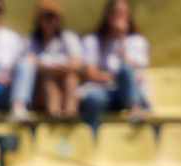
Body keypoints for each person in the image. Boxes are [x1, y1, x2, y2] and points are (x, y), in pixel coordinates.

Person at [78, 0, 150, 131]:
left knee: (126, 69)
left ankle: (134, 110)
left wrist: (121, 38)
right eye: (113, 13)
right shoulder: (92, 40)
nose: (117, 17)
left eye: (122, 13)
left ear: (129, 16)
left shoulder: (138, 41)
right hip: (104, 90)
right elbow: (90, 74)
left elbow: (133, 69)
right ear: (107, 16)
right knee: (93, 98)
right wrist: (119, 78)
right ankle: (90, 139)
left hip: (130, 92)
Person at [25, 0, 83, 120]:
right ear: (39, 19)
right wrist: (49, 70)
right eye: (47, 16)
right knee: (48, 81)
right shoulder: (30, 40)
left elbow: (77, 63)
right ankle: (55, 117)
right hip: (40, 90)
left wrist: (62, 70)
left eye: (54, 16)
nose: (50, 20)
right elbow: (30, 64)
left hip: (64, 85)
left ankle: (70, 114)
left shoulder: (68, 37)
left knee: (71, 77)